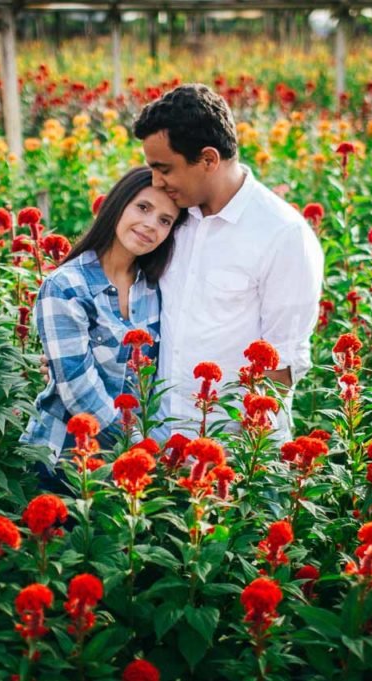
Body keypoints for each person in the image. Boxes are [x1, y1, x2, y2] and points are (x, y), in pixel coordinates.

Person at [132, 84, 324, 439]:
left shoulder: (282, 234)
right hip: (159, 442)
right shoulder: (171, 216)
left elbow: (281, 365)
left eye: (165, 169)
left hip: (232, 454)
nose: (156, 181)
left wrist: (239, 468)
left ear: (208, 159)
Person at [20, 167, 187, 466]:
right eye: (143, 207)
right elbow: (78, 390)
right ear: (118, 204)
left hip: (128, 464)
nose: (151, 225)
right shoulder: (66, 286)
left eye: (165, 220)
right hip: (66, 459)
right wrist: (141, 448)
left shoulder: (153, 288)